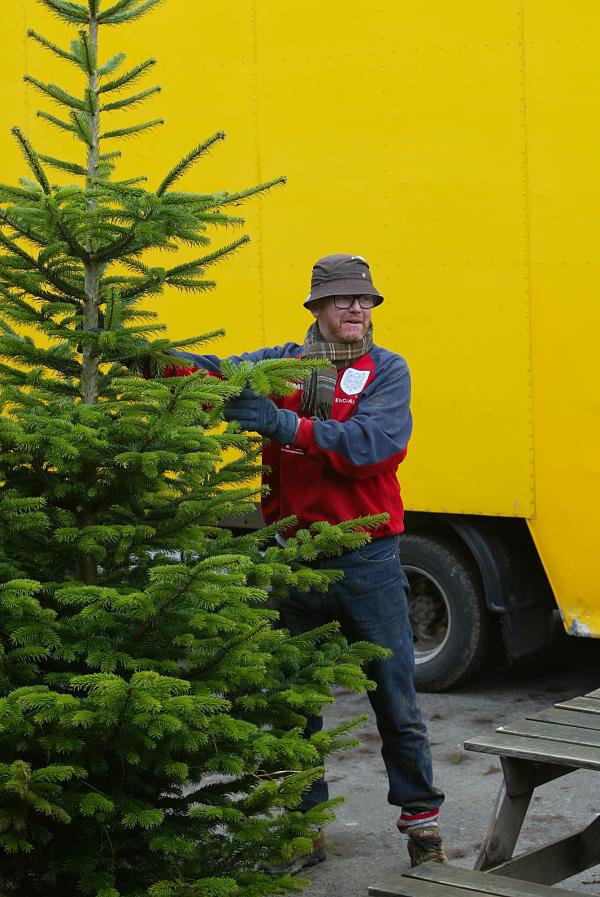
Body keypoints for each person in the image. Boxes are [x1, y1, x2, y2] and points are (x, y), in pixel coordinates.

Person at [165, 253, 446, 873]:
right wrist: (152, 362)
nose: (357, 309)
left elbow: (375, 448)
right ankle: (303, 831)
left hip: (366, 559)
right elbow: (217, 375)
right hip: (290, 561)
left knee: (396, 703)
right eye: (343, 299)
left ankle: (424, 832)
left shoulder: (386, 371)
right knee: (290, 704)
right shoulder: (280, 365)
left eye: (366, 300)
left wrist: (289, 426)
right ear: (316, 308)